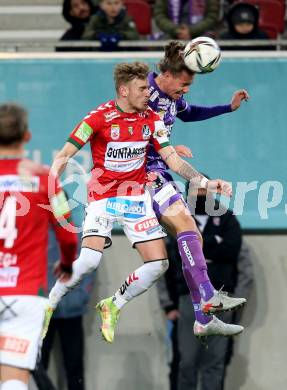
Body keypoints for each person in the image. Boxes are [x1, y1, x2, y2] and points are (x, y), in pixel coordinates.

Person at [42, 61, 245, 346]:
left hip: (136, 196)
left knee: (159, 264)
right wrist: (50, 188)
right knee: (89, 260)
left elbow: (172, 160)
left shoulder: (152, 119)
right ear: (123, 91)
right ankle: (48, 305)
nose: (147, 94)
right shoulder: (97, 118)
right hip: (103, 197)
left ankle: (113, 304)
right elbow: (63, 155)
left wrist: (204, 182)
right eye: (141, 89)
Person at [144, 40, 249, 342]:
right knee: (181, 236)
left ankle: (204, 315)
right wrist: (164, 148)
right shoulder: (144, 93)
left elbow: (189, 113)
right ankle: (205, 304)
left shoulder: (170, 97)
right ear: (167, 73)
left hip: (158, 171)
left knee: (192, 235)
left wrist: (228, 108)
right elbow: (126, 128)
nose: (187, 89)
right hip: (141, 175)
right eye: (185, 83)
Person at [0, 103, 78, 390]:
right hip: (25, 295)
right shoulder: (46, 179)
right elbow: (68, 235)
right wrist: (67, 263)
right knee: (14, 379)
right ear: (27, 136)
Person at [157, 181, 254, 390]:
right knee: (187, 360)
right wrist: (168, 305)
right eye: (196, 190)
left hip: (221, 298)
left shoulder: (227, 218)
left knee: (215, 360)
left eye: (205, 190)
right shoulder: (176, 218)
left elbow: (232, 251)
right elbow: (169, 259)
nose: (200, 194)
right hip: (188, 300)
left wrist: (200, 247)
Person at [38, 230, 95, 390]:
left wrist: (81, 297)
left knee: (74, 366)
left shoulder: (79, 233)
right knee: (37, 367)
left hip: (72, 310)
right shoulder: (37, 231)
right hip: (42, 311)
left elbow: (91, 265)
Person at [154, 0, 220, 40]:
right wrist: (176, 30)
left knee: (206, 43)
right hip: (173, 32)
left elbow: (212, 17)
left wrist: (191, 31)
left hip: (200, 32)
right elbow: (160, 16)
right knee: (163, 43)